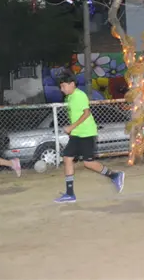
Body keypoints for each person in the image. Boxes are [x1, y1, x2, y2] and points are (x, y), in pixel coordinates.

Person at [54, 73, 124, 203]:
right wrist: (72, 130)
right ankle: (70, 194)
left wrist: (71, 127)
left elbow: (86, 113)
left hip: (86, 133)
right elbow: (75, 115)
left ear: (72, 84)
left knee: (88, 163)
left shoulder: (79, 96)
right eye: (60, 86)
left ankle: (114, 175)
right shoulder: (69, 98)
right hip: (77, 134)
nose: (61, 89)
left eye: (63, 86)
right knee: (67, 158)